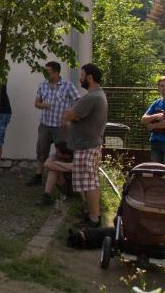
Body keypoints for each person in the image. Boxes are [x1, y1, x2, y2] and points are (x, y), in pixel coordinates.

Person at [62, 63, 108, 229]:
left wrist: (72, 114)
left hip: (86, 146)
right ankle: (92, 215)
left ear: (89, 77)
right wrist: (74, 116)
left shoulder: (91, 97)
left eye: (81, 75)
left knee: (88, 184)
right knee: (91, 182)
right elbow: (75, 116)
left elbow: (69, 114)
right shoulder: (98, 95)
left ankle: (93, 219)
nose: (79, 79)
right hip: (91, 144)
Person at [29, 61, 79, 186]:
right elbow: (36, 103)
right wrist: (43, 105)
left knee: (62, 153)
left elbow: (79, 102)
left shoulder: (68, 85)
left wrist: (68, 118)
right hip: (45, 124)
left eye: (48, 72)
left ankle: (62, 180)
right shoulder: (43, 85)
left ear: (56, 73)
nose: (45, 74)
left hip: (61, 127)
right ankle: (38, 175)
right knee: (41, 150)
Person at [36, 141, 74, 206]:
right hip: (64, 185)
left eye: (58, 152)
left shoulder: (76, 157)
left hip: (76, 187)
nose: (56, 153)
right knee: (53, 170)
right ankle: (46, 196)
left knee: (54, 168)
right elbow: (46, 164)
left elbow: (75, 167)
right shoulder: (56, 156)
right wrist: (66, 168)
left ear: (65, 154)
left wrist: (57, 164)